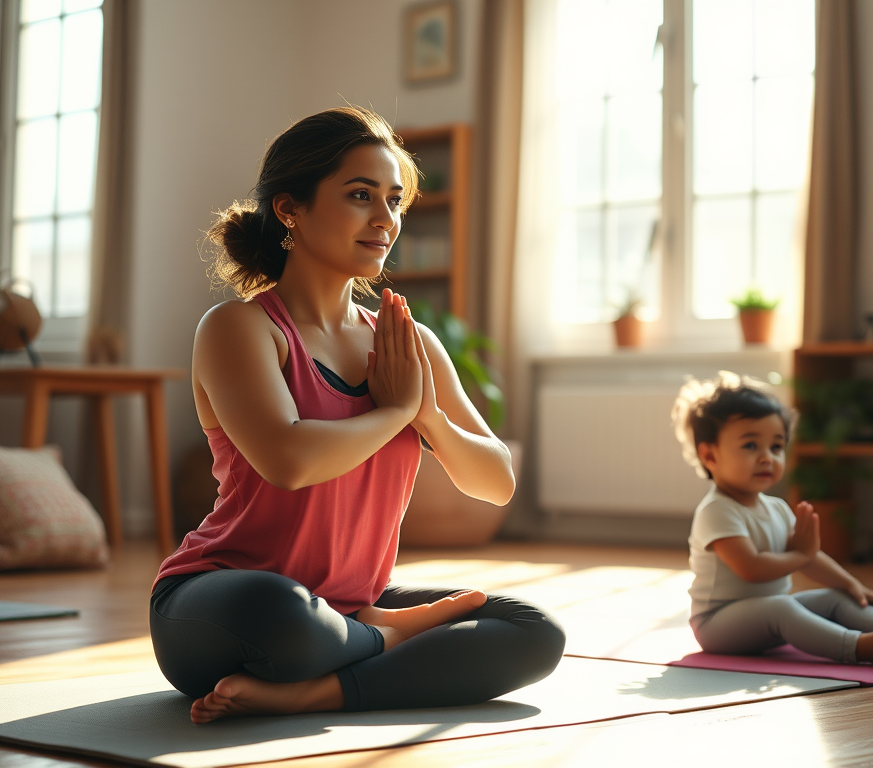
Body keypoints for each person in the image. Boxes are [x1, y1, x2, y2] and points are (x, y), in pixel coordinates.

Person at [149, 106, 565, 724]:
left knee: (532, 631)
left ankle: (316, 690)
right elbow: (289, 461)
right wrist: (396, 409)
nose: (385, 220)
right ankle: (390, 641)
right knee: (279, 612)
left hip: (348, 607)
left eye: (394, 200)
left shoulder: (407, 342)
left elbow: (496, 482)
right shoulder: (241, 328)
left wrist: (426, 417)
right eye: (360, 195)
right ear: (290, 208)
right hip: (225, 601)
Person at [671, 373, 873, 667]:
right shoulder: (717, 510)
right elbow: (752, 568)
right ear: (709, 455)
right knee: (781, 607)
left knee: (834, 598)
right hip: (718, 625)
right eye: (751, 446)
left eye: (776, 447)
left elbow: (809, 558)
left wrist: (851, 584)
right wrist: (801, 555)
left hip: (766, 616)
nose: (767, 457)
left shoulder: (777, 508)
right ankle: (860, 648)